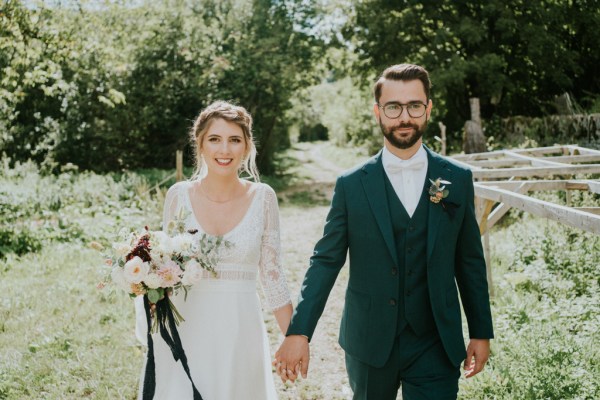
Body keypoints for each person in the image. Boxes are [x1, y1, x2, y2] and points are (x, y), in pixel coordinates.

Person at [274, 63, 494, 399]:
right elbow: (325, 260)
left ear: (428, 109)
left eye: (414, 106)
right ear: (378, 111)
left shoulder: (457, 178)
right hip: (369, 343)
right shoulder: (351, 185)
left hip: (436, 340)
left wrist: (481, 330)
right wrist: (299, 331)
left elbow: (469, 261)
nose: (404, 117)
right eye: (393, 107)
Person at [134, 100, 293, 399]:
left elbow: (273, 277)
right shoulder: (178, 195)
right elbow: (167, 266)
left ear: (246, 146)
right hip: (187, 326)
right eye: (215, 139)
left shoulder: (263, 198)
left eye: (235, 140)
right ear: (201, 145)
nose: (225, 150)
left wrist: (294, 337)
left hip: (239, 329)